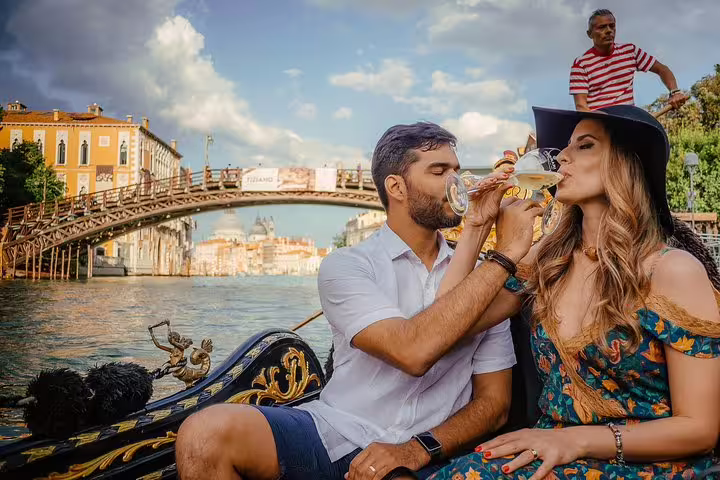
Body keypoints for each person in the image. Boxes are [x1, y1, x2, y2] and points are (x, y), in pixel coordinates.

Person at [175, 122, 544, 480]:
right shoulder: (347, 266)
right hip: (334, 429)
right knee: (203, 434)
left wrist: (417, 449)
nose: (457, 183)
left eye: (457, 171)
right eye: (438, 171)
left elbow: (494, 406)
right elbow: (413, 350)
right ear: (396, 187)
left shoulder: (485, 276)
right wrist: (505, 251)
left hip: (427, 449)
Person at [427, 105, 720, 479]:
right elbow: (449, 324)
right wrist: (475, 227)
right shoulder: (549, 260)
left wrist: (575, 441)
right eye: (565, 147)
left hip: (645, 464)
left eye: (584, 146)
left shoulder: (671, 270)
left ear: (625, 163)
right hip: (547, 448)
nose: (562, 156)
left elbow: (699, 428)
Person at [569, 9, 688, 112]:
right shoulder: (581, 64)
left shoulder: (630, 51)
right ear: (590, 34)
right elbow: (581, 106)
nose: (609, 30)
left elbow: (662, 69)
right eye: (602, 27)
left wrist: (675, 92)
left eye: (612, 26)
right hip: (599, 123)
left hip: (628, 119)